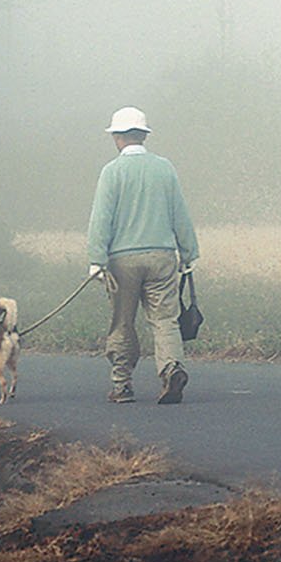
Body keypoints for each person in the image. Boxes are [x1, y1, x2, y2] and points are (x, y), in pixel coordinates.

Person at [86, 106, 199, 404]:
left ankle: (122, 386)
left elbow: (101, 219)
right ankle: (171, 368)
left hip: (123, 261)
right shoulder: (165, 168)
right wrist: (189, 253)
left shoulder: (111, 172)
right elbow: (180, 215)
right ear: (144, 135)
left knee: (123, 322)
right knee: (165, 320)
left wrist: (97, 260)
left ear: (117, 138)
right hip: (162, 257)